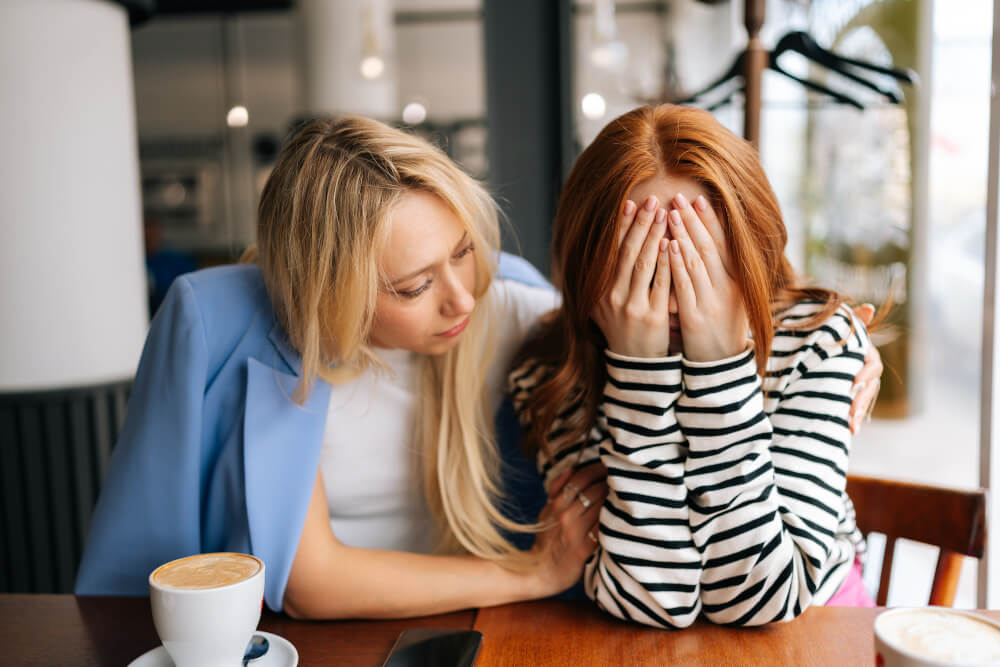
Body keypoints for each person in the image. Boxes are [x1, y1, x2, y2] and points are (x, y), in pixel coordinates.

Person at [75, 115, 606, 618]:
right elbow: (310, 581)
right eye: (414, 286)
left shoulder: (508, 300)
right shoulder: (218, 319)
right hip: (289, 639)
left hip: (481, 624)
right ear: (331, 293)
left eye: (463, 251)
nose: (462, 299)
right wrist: (530, 576)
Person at [509, 103, 880, 629]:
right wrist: (638, 374)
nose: (678, 296)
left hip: (819, 634)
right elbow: (653, 601)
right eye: (642, 265)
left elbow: (763, 602)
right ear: (588, 265)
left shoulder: (818, 342)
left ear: (754, 247)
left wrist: (720, 368)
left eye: (701, 259)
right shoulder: (552, 374)